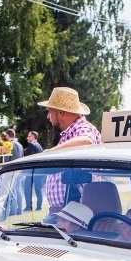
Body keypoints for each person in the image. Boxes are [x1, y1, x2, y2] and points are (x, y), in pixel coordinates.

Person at [38, 87, 102, 215]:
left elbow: (86, 140)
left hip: (74, 215)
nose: (48, 116)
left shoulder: (82, 127)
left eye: (50, 111)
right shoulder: (71, 133)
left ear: (60, 113)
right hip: (66, 213)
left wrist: (51, 152)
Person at [4, 129, 25, 214]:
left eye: (6, 135)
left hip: (11, 170)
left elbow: (7, 158)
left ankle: (13, 210)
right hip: (19, 170)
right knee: (18, 190)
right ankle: (19, 209)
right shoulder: (20, 145)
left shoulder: (9, 145)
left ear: (8, 135)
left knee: (11, 190)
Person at [23, 131, 45, 211]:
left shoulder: (32, 145)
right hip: (39, 172)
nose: (27, 138)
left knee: (27, 189)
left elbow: (29, 159)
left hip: (31, 172)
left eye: (28, 136)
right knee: (38, 189)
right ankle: (39, 206)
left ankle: (28, 206)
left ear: (32, 137)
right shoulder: (39, 146)